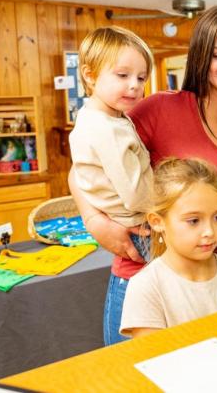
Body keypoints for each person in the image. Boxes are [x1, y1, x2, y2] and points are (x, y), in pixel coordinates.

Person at [70, 5, 217, 345]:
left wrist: (186, 221)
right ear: (201, 57)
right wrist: (94, 221)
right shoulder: (158, 109)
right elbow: (84, 165)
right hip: (144, 277)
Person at [120, 157, 217, 338]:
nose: (210, 231)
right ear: (157, 222)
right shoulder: (146, 286)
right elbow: (155, 360)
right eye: (194, 221)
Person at [69, 26, 154, 262]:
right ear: (90, 75)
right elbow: (136, 195)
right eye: (122, 75)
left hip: (124, 220)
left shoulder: (97, 116)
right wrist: (170, 204)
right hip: (139, 227)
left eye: (141, 77)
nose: (135, 85)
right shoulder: (108, 130)